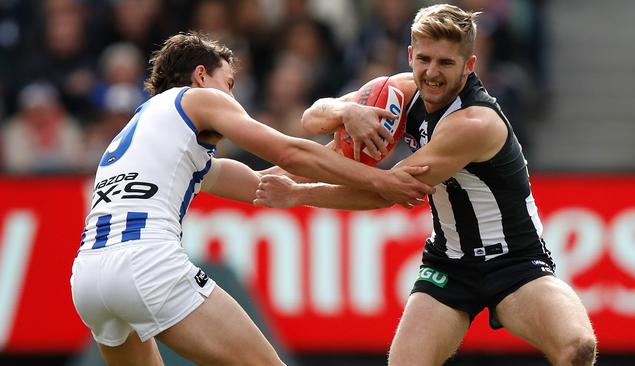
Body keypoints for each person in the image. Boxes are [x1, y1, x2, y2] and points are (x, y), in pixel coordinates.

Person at [254, 4, 597, 366]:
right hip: (449, 262)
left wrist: (299, 193)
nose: (432, 73)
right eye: (424, 59)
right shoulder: (402, 90)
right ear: (409, 56)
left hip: (515, 262)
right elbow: (311, 118)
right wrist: (346, 111)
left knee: (577, 348)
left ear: (469, 65)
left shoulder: (474, 122)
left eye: (446, 64)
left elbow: (387, 190)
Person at [69, 31, 433, 366]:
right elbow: (289, 153)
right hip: (147, 263)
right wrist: (382, 180)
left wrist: (337, 153)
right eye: (228, 85)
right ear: (200, 76)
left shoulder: (145, 132)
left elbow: (263, 183)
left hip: (88, 279)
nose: (231, 99)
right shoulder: (198, 99)